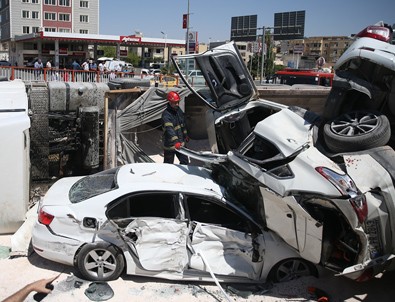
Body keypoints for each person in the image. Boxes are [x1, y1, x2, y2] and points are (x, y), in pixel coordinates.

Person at [161, 91, 189, 165]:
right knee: (168, 165)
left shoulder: (178, 111)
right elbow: (169, 129)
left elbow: (182, 124)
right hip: (170, 145)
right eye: (175, 102)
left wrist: (185, 135)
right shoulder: (166, 115)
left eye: (178, 102)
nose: (177, 104)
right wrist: (176, 141)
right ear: (170, 102)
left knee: (185, 162)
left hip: (180, 143)